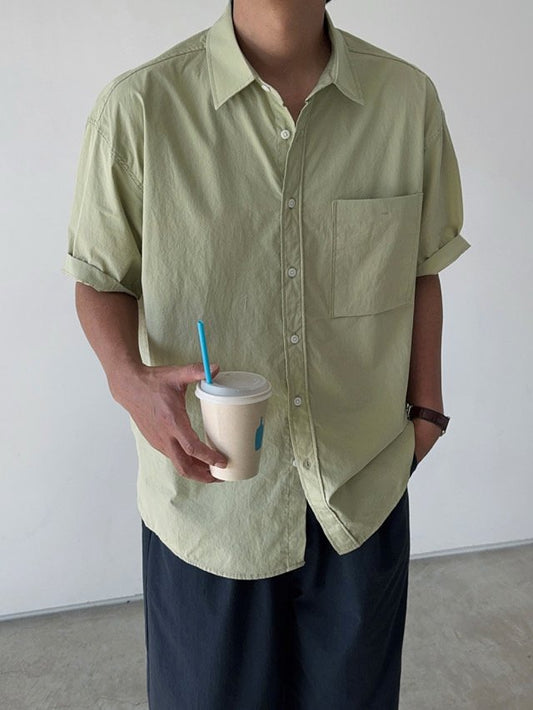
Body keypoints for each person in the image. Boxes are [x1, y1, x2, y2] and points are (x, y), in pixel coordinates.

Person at [63, 0, 470, 707]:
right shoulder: (139, 108)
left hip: (360, 489)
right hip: (212, 506)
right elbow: (99, 280)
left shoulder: (405, 100)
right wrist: (128, 382)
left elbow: (419, 266)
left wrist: (426, 414)